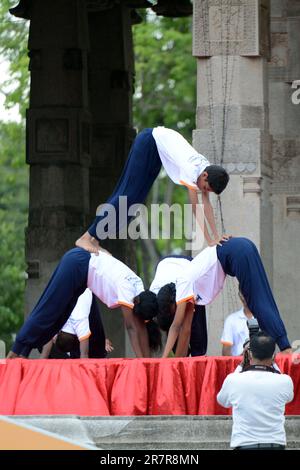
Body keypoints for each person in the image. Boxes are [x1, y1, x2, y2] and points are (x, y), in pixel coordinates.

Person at [75, 127, 230, 254]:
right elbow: (197, 207)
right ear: (205, 175)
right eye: (205, 188)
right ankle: (87, 237)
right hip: (149, 142)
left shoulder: (206, 170)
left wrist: (216, 237)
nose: (204, 191)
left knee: (135, 201)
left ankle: (96, 239)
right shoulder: (192, 170)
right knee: (127, 196)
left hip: (157, 152)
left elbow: (206, 204)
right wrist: (209, 241)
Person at [7, 247, 161, 359]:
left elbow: (141, 326)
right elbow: (132, 327)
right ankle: (15, 352)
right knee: (48, 311)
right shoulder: (127, 289)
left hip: (83, 277)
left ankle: (24, 353)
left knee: (58, 320)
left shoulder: (140, 287)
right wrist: (142, 362)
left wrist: (148, 363)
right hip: (77, 265)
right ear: (137, 301)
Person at [154, 237, 292, 358]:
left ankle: (285, 348)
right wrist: (175, 361)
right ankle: (282, 347)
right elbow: (186, 328)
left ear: (174, 298)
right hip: (240, 249)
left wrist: (164, 361)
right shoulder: (189, 291)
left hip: (237, 252)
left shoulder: (183, 283)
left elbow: (176, 326)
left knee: (258, 303)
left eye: (174, 309)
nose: (178, 313)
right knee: (262, 299)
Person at [217, 332, 294, 450]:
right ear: (273, 356)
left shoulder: (234, 379)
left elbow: (222, 401)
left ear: (250, 354)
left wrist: (241, 364)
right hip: (275, 444)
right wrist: (274, 364)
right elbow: (289, 397)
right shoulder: (285, 381)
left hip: (245, 444)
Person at [150, 255, 207, 357]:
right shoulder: (153, 301)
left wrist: (177, 362)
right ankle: (179, 354)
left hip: (190, 266)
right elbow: (173, 326)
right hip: (164, 263)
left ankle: (197, 357)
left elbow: (185, 329)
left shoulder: (185, 287)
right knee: (173, 324)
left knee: (196, 328)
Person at [41, 288, 112, 359]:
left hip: (85, 287)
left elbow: (84, 355)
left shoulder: (81, 326)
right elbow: (49, 337)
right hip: (71, 287)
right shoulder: (61, 319)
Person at [221, 291, 254, 356]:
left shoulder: (263, 318)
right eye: (243, 292)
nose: (245, 296)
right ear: (240, 295)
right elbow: (225, 354)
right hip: (239, 364)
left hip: (261, 364)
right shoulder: (231, 320)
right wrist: (243, 359)